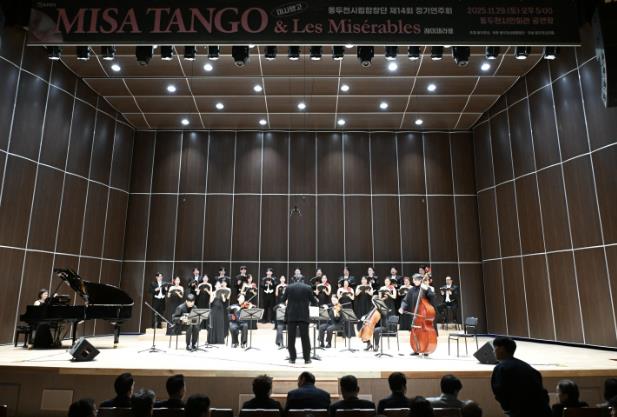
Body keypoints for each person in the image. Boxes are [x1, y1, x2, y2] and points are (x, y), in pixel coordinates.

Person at [491, 336, 551, 417]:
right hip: (543, 411)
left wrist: (509, 410)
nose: (493, 351)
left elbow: (500, 393)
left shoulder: (501, 368)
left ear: (501, 349)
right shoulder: (528, 367)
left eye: (494, 348)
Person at [281, 274, 318, 364]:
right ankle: (307, 359)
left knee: (291, 338)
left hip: (291, 315)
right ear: (303, 280)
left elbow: (282, 299)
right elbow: (314, 302)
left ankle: (292, 358)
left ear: (293, 279)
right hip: (303, 315)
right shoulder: (308, 287)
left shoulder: (289, 287)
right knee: (305, 338)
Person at [399, 273, 436, 356]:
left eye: (417, 280)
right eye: (414, 280)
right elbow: (405, 300)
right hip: (415, 316)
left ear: (420, 280)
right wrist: (402, 307)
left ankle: (425, 348)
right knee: (415, 332)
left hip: (424, 316)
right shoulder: (411, 290)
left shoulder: (426, 289)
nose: (415, 281)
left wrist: (427, 290)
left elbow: (433, 297)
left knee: (423, 332)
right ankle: (416, 349)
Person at [208, 280, 230, 344]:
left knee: (220, 323)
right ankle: (212, 340)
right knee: (213, 323)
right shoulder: (213, 292)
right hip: (214, 309)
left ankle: (219, 340)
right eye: (217, 285)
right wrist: (214, 295)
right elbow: (210, 301)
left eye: (219, 285)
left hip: (220, 309)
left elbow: (224, 300)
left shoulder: (222, 292)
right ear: (215, 286)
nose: (218, 286)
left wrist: (223, 296)